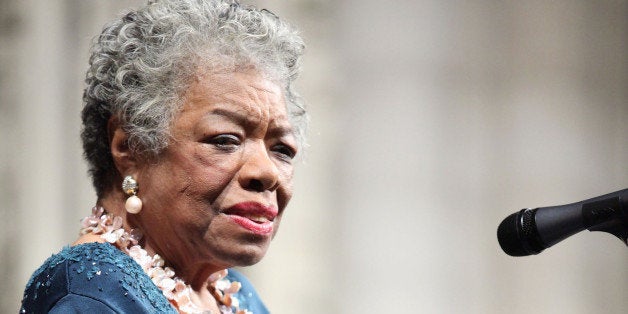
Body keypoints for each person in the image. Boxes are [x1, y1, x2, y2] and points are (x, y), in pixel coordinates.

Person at [20, 0, 306, 313]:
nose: (267, 172)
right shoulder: (91, 294)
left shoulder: (235, 296)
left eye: (282, 149)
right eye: (225, 140)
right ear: (129, 147)